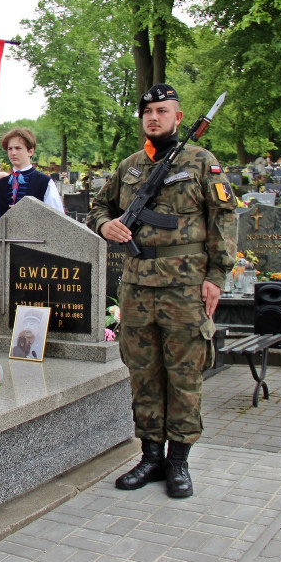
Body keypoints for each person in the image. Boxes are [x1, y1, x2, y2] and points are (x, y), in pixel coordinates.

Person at [88, 83, 236, 499]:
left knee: (184, 375)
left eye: (162, 110)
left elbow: (223, 220)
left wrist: (216, 277)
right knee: (143, 374)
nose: (153, 117)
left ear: (178, 117)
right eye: (148, 111)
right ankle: (150, 456)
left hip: (186, 286)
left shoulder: (202, 162)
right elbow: (99, 208)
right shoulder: (130, 166)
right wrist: (105, 225)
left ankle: (179, 463)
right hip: (137, 286)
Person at [0, 128, 64, 282]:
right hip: (5, 258)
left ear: (30, 151)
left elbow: (58, 221)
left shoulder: (45, 183)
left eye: (18, 148)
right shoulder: (1, 185)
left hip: (37, 259)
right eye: (10, 149)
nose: (12, 153)